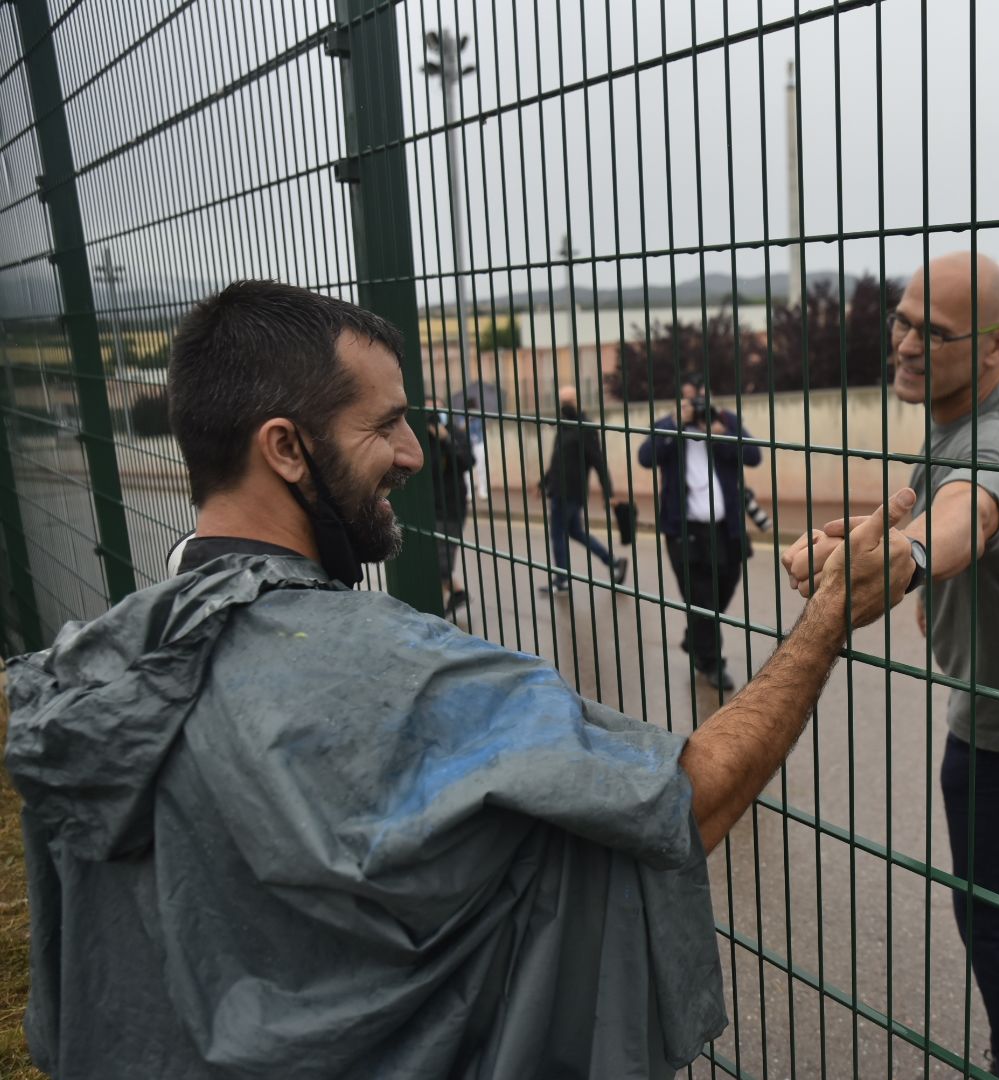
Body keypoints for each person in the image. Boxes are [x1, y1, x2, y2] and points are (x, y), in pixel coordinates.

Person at [3, 281, 918, 1079]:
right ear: (285, 448)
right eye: (384, 423)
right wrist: (824, 621)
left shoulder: (89, 668)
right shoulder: (408, 673)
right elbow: (684, 801)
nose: (412, 453)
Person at [783, 252, 999, 1080]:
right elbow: (946, 507)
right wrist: (898, 561)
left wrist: (904, 558)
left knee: (989, 911)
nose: (902, 343)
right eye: (901, 319)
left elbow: (970, 508)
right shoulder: (996, 394)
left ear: (997, 343)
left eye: (930, 333)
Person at [636, 376, 761, 691]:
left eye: (703, 398)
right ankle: (710, 662)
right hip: (685, 532)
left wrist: (721, 434)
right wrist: (677, 424)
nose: (699, 406)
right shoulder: (668, 425)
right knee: (701, 599)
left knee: (726, 587)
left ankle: (695, 638)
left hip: (727, 528)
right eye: (692, 400)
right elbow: (646, 458)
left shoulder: (725, 422)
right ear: (681, 401)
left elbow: (755, 456)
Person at [540, 385, 627, 593]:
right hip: (558, 489)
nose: (565, 406)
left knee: (558, 533)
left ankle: (562, 579)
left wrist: (609, 493)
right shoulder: (564, 425)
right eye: (562, 402)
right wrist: (543, 482)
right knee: (575, 532)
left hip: (571, 491)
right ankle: (613, 562)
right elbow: (557, 458)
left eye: (568, 402)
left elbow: (598, 461)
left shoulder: (585, 427)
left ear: (577, 401)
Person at [425, 397, 475, 617]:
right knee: (431, 558)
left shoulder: (455, 433)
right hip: (429, 506)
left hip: (452, 506)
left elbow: (467, 461)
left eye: (436, 408)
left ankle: (435, 610)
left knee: (441, 563)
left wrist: (445, 439)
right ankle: (457, 592)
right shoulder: (420, 437)